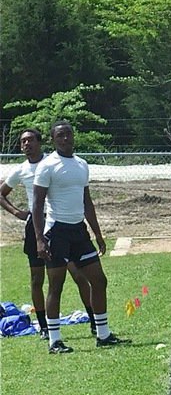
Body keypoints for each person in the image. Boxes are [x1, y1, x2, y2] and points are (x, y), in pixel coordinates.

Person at [31, 119, 128, 352]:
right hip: (57, 231)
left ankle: (103, 334)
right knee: (57, 285)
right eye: (60, 135)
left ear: (73, 136)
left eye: (68, 134)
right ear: (53, 139)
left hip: (79, 232)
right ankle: (55, 340)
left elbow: (87, 201)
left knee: (99, 280)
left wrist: (98, 234)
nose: (65, 139)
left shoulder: (82, 164)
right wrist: (40, 239)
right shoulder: (47, 166)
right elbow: (37, 205)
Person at [1, 127, 97, 342]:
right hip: (35, 226)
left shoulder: (51, 163)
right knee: (37, 279)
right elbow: (2, 193)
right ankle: (45, 328)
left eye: (30, 140)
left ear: (40, 142)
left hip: (58, 225)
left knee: (78, 275)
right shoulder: (21, 170)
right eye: (23, 141)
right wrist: (18, 213)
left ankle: (94, 320)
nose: (26, 144)